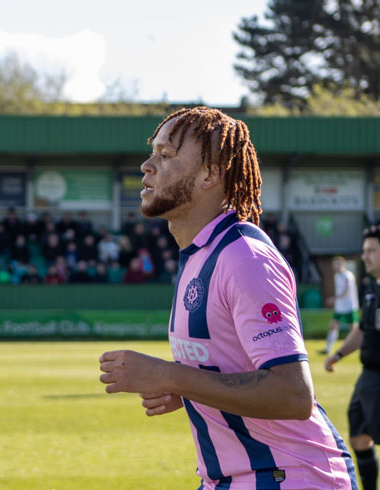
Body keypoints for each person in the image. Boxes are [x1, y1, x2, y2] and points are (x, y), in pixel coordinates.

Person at [99, 107, 356, 489]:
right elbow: (234, 367)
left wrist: (170, 375)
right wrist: (186, 391)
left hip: (290, 477)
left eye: (167, 155)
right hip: (233, 479)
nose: (147, 165)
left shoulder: (244, 258)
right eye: (153, 152)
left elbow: (292, 394)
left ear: (210, 174)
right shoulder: (201, 254)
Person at [325, 227, 380, 490]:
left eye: (371, 251)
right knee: (358, 436)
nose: (365, 256)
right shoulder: (371, 289)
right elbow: (361, 330)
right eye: (364, 250)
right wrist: (337, 354)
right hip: (368, 376)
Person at [322, 256, 360, 355]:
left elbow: (345, 291)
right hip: (340, 306)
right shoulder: (336, 276)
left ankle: (357, 347)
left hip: (349, 306)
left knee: (353, 329)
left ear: (343, 265)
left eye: (338, 264)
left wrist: (333, 298)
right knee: (333, 325)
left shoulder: (348, 276)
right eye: (334, 264)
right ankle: (327, 349)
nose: (335, 266)